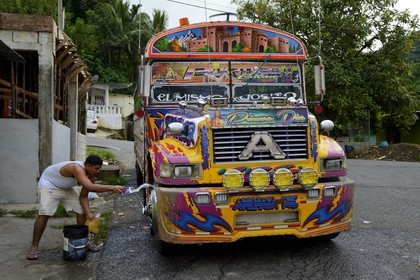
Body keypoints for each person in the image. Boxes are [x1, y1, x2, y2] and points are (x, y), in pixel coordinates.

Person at [26, 154, 126, 260]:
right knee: (45, 213)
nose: (98, 172)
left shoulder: (89, 177)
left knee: (81, 209)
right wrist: (112, 187)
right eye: (96, 169)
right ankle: (34, 246)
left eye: (99, 169)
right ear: (87, 166)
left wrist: (88, 213)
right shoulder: (75, 168)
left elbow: (83, 197)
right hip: (49, 185)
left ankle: (85, 242)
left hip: (65, 187)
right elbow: (90, 187)